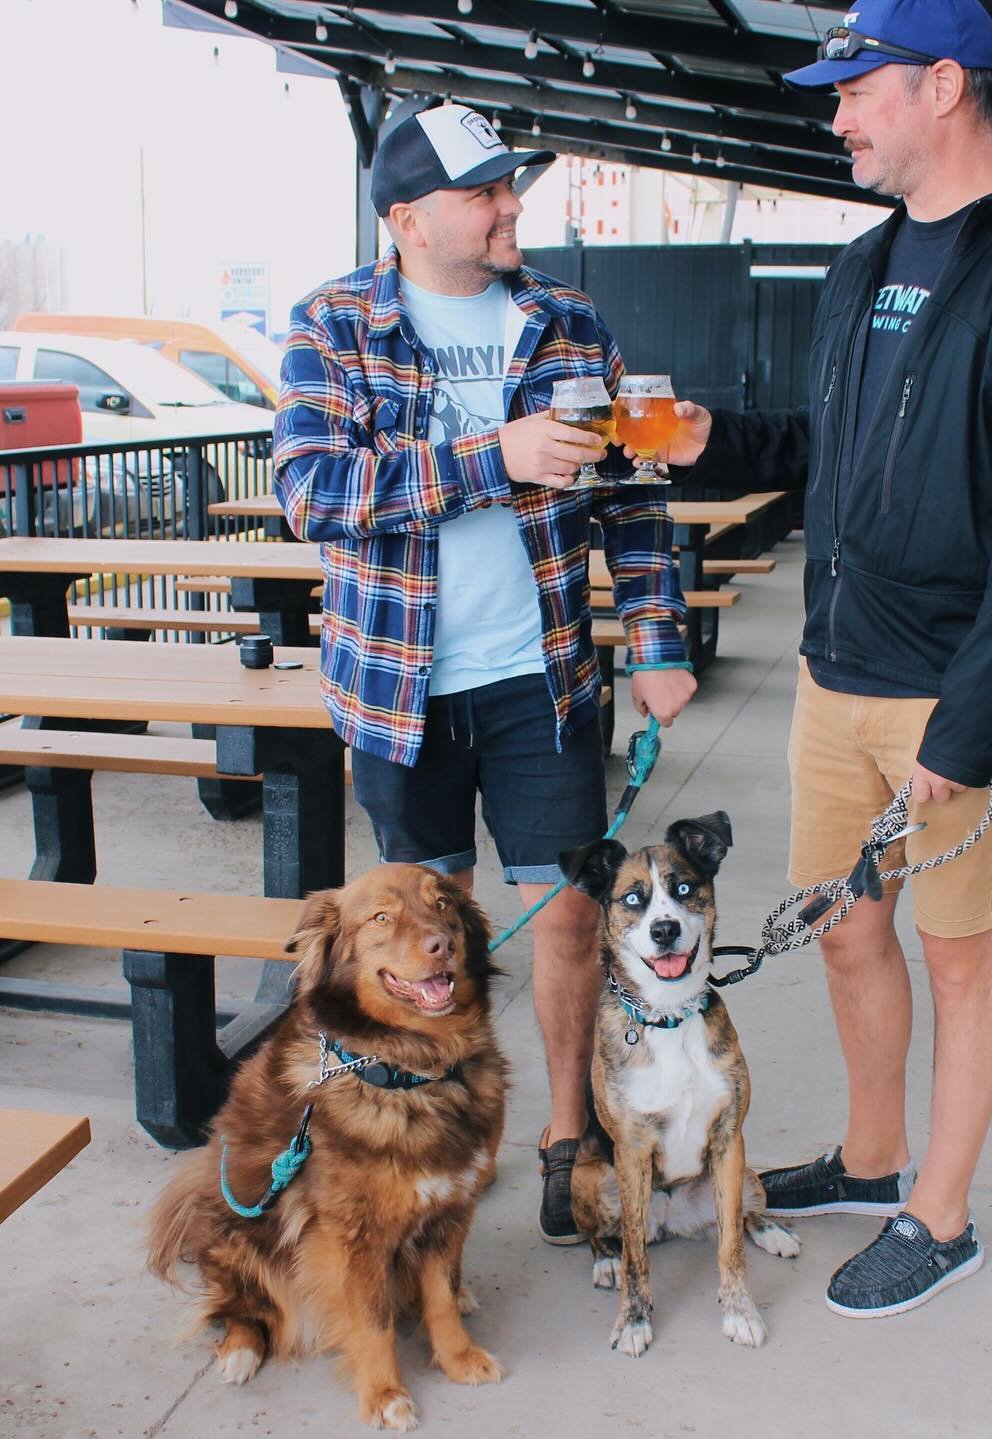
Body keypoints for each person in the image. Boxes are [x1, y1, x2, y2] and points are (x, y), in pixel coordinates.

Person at [656, 0, 992, 1317]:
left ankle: (941, 1210)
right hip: (833, 675)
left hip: (953, 691)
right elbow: (831, 456)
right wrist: (718, 442)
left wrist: (966, 726)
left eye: (858, 87)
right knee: (847, 932)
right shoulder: (862, 269)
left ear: (946, 87)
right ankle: (870, 1160)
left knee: (959, 948)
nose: (839, 113)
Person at [273, 103, 697, 1245]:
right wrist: (489, 457)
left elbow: (636, 494)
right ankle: (443, 1136)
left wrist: (657, 644)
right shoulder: (335, 322)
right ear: (406, 218)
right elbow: (314, 492)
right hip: (394, 685)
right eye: (485, 193)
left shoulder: (567, 319)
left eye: (512, 187)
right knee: (424, 942)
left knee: (563, 921)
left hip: (541, 674)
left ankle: (569, 1139)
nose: (512, 207)